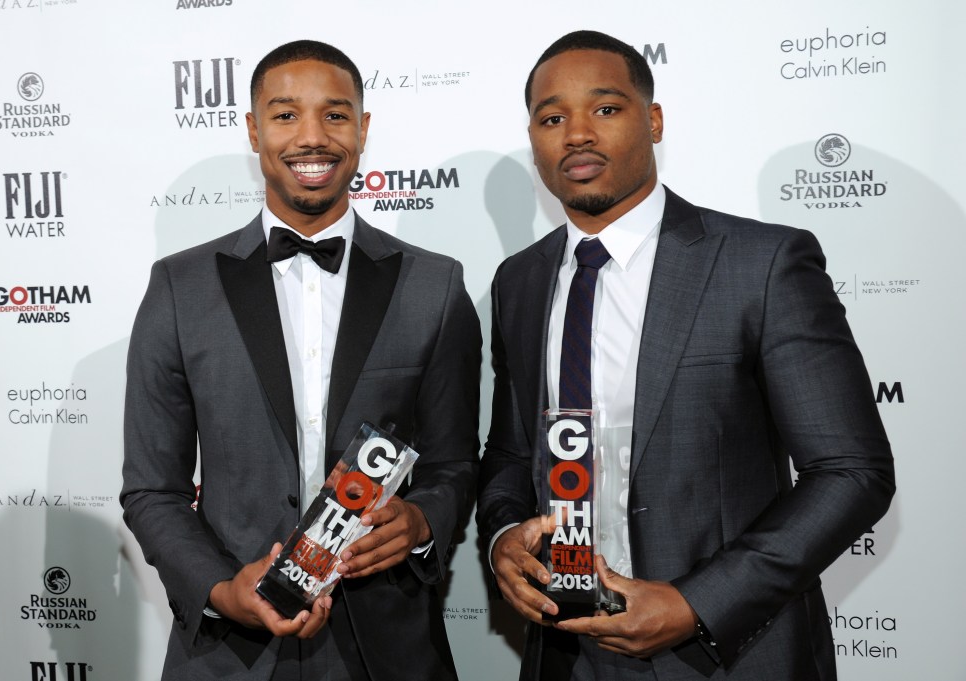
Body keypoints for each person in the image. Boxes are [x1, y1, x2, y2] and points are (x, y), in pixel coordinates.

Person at [477, 30, 895, 681]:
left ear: (654, 118)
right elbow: (509, 453)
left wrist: (695, 602)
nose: (577, 133)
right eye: (552, 117)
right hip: (565, 652)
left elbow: (850, 470)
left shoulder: (762, 263)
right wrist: (503, 538)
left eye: (606, 108)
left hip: (728, 653)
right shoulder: (518, 282)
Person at [121, 40, 480, 681]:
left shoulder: (435, 286)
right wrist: (225, 590)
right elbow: (154, 489)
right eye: (285, 116)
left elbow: (454, 463)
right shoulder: (179, 289)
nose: (311, 137)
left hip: (389, 650)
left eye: (335, 115)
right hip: (232, 650)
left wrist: (423, 519)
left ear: (364, 129)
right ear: (253, 131)